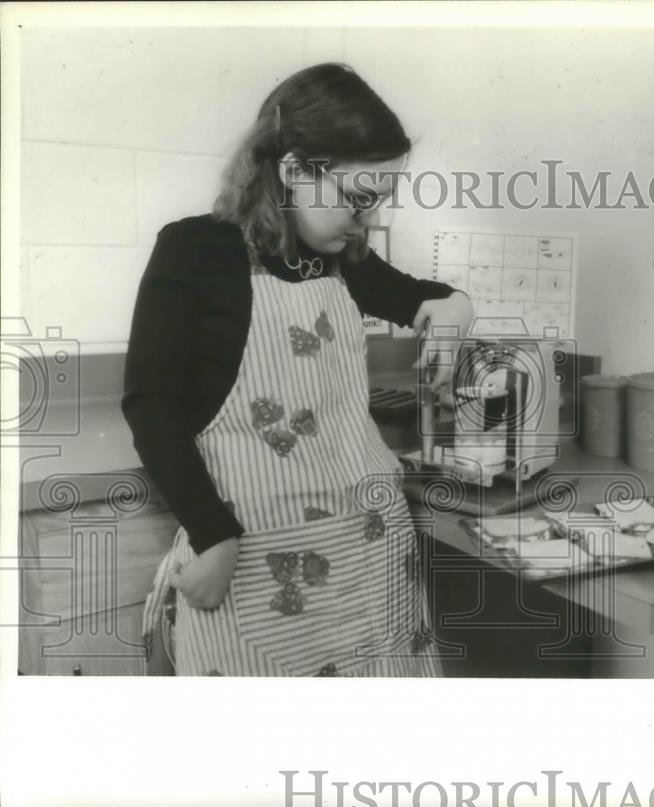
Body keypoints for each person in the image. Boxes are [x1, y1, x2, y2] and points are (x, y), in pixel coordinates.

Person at [124, 63, 474, 677]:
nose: (367, 220)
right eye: (356, 199)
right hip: (252, 559)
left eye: (379, 202)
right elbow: (149, 404)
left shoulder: (344, 260)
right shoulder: (195, 250)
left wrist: (454, 312)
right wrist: (213, 536)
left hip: (371, 554)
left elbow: (429, 296)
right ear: (293, 169)